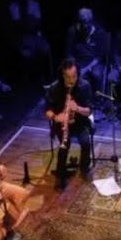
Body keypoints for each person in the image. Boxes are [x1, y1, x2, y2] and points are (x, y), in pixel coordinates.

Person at [44, 59, 96, 190]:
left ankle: (84, 168)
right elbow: (47, 111)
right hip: (62, 124)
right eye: (68, 77)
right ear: (62, 75)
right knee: (64, 146)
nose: (72, 80)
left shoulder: (85, 86)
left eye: (74, 76)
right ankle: (60, 175)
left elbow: (89, 110)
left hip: (80, 122)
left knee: (85, 142)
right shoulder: (54, 88)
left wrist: (77, 108)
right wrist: (56, 117)